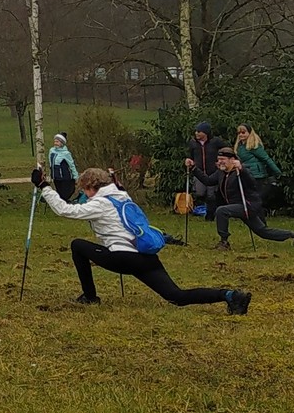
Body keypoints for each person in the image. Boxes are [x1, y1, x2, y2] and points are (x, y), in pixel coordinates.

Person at [32, 165, 250, 314]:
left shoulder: (101, 204)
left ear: (92, 187)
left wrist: (44, 187)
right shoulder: (122, 195)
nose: (84, 194)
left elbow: (64, 210)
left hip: (121, 256)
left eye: (85, 190)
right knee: (177, 296)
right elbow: (116, 192)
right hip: (145, 255)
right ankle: (230, 295)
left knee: (77, 245)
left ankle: (90, 297)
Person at [212, 148, 294, 249]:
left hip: (247, 205)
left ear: (232, 159)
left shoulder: (241, 170)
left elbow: (252, 183)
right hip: (238, 206)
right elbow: (208, 180)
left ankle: (224, 242)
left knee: (221, 210)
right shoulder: (222, 173)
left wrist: (241, 170)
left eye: (223, 159)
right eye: (219, 159)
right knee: (263, 232)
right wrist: (194, 168)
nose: (220, 162)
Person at [184, 122, 223, 213]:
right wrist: (188, 161)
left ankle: (211, 213)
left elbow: (225, 151)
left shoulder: (216, 142)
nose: (196, 133)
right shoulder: (192, 143)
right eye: (196, 131)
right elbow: (189, 155)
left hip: (213, 172)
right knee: (199, 192)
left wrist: (220, 162)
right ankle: (203, 208)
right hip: (199, 172)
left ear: (206, 133)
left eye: (199, 131)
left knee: (211, 194)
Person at [47, 133, 79, 198]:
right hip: (56, 177)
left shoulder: (66, 153)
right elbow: (51, 164)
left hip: (65, 177)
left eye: (57, 142)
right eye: (55, 141)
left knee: (65, 194)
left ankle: (65, 205)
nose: (55, 143)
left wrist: (76, 177)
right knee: (59, 193)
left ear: (62, 143)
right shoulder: (51, 151)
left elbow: (71, 165)